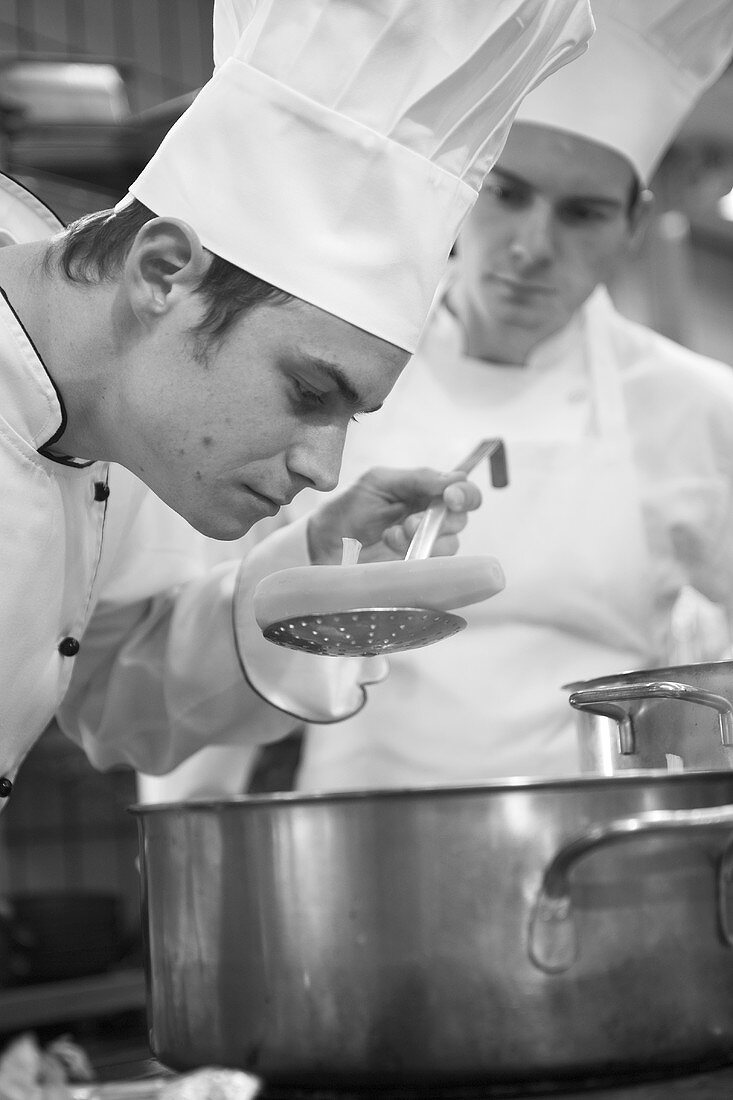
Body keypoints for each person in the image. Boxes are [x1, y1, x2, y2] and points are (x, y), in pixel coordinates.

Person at [0, 0, 594, 802]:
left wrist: (316, 568)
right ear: (163, 271)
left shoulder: (124, 419)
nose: (323, 468)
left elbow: (113, 686)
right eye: (311, 391)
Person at [207, 0, 733, 795]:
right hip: (359, 831)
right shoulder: (325, 370)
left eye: (582, 213)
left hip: (600, 838)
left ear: (633, 225)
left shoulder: (693, 408)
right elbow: (222, 623)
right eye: (507, 193)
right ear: (461, 192)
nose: (532, 246)